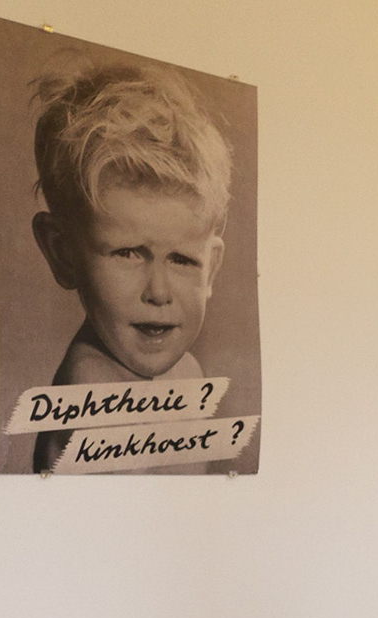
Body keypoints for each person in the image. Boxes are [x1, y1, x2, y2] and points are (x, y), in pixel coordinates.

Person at [26, 60, 232, 473]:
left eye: (182, 259)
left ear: (210, 268)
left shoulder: (188, 372)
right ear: (62, 252)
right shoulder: (93, 400)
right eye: (128, 253)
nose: (158, 292)